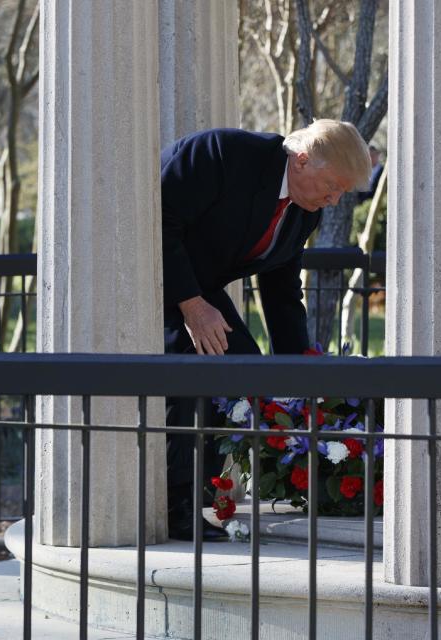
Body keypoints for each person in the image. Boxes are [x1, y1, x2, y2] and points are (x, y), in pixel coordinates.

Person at [161, 120, 371, 540]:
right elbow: (158, 219)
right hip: (156, 272)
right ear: (303, 159)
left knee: (247, 371)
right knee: (193, 368)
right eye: (332, 186)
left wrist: (297, 377)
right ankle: (175, 505)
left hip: (198, 288)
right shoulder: (225, 153)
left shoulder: (302, 213)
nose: (334, 200)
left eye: (342, 193)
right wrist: (192, 305)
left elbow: (280, 292)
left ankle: (204, 493)